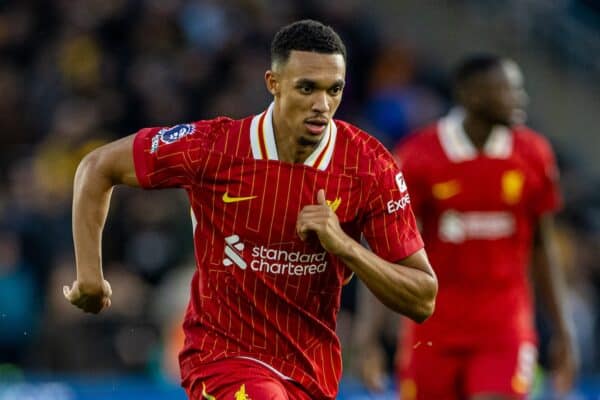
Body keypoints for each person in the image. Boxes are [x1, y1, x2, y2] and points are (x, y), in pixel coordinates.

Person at [63, 20, 438, 400]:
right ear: (273, 83)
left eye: (334, 90)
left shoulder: (369, 166)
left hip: (311, 373)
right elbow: (97, 167)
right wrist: (90, 277)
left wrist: (344, 247)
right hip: (221, 358)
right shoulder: (215, 147)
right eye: (306, 88)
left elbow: (422, 298)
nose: (321, 105)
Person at [355, 55, 578, 400]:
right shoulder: (420, 156)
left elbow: (541, 246)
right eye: (507, 90)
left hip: (504, 329)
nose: (520, 99)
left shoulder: (533, 154)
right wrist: (367, 337)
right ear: (472, 96)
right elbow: (388, 249)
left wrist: (564, 330)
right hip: (431, 330)